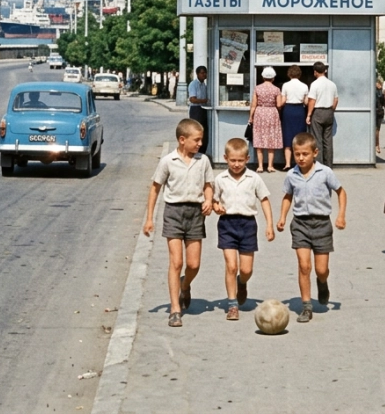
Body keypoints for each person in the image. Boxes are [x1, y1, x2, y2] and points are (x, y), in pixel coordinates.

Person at [142, 118, 216, 328]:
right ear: (182, 140)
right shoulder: (168, 161)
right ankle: (175, 308)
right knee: (176, 262)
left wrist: (209, 200)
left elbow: (209, 184)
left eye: (201, 140)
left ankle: (185, 284)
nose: (200, 144)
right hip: (173, 212)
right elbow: (155, 188)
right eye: (197, 140)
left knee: (193, 264)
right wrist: (149, 218)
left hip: (195, 213)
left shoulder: (203, 161)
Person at [276, 132, 347, 323]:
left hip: (322, 224)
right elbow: (287, 196)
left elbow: (341, 192)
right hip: (300, 224)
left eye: (305, 154)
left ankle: (322, 283)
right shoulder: (292, 175)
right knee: (304, 266)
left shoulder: (325, 173)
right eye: (297, 154)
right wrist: (282, 216)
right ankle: (306, 306)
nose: (300, 158)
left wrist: (340, 216)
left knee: (321, 269)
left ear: (315, 152)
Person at [212, 137, 274, 321]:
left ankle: (242, 282)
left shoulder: (254, 178)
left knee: (246, 269)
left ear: (247, 159)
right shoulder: (220, 179)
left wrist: (269, 225)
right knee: (231, 266)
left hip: (248, 225)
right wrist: (217, 207)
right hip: (227, 224)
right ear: (226, 158)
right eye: (233, 160)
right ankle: (232, 305)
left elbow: (264, 199)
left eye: (240, 160)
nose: (236, 164)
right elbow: (214, 200)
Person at [248, 67, 283, 172]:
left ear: (263, 77)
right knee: (271, 138)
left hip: (260, 112)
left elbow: (253, 105)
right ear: (273, 78)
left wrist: (251, 117)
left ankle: (260, 166)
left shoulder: (257, 88)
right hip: (272, 113)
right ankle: (270, 166)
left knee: (259, 138)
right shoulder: (276, 89)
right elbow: (279, 105)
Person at [304, 62, 338, 165]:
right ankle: (329, 164)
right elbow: (336, 99)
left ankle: (318, 163)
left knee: (317, 139)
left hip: (318, 112)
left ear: (315, 72)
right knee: (328, 141)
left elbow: (312, 101)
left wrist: (309, 115)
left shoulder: (315, 84)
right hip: (329, 112)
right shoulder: (332, 84)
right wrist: (331, 110)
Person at [281, 65, 309, 170]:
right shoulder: (305, 86)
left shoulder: (285, 85)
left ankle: (287, 164)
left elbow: (283, 101)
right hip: (299, 111)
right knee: (300, 137)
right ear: (299, 74)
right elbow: (306, 102)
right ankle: (299, 163)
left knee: (287, 137)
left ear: (289, 74)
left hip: (288, 110)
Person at [188, 66, 211, 156]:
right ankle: (193, 151)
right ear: (197, 74)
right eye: (202, 73)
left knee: (204, 132)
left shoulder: (204, 85)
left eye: (205, 73)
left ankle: (201, 152)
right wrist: (204, 100)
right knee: (196, 131)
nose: (204, 75)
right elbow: (192, 99)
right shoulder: (193, 84)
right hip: (196, 110)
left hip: (203, 109)